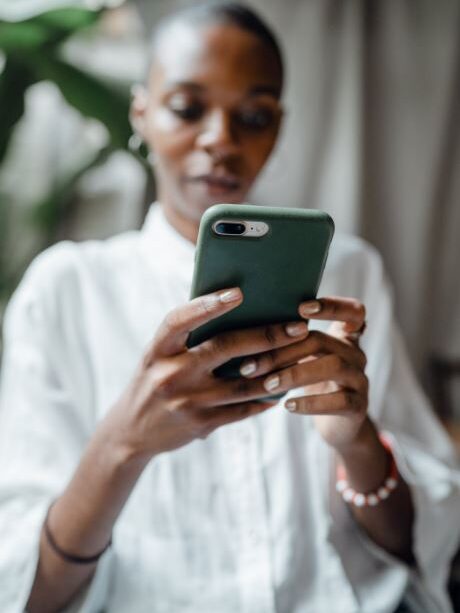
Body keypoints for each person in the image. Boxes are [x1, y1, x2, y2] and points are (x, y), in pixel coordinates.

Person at [0, 3, 458, 612]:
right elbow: (25, 590)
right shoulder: (66, 290)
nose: (221, 139)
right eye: (188, 108)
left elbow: (421, 543)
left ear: (278, 126)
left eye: (253, 115)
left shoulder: (348, 272)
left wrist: (358, 443)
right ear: (141, 112)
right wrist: (123, 444)